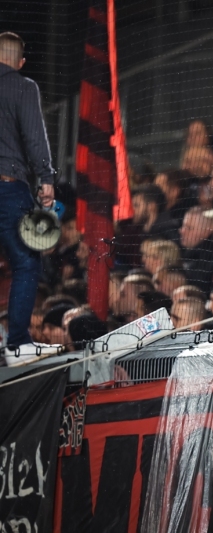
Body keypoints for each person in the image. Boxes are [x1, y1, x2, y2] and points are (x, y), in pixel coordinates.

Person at [0, 32, 60, 357]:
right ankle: (19, 344)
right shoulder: (23, 86)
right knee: (25, 263)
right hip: (8, 187)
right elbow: (34, 135)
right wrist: (46, 178)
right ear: (20, 62)